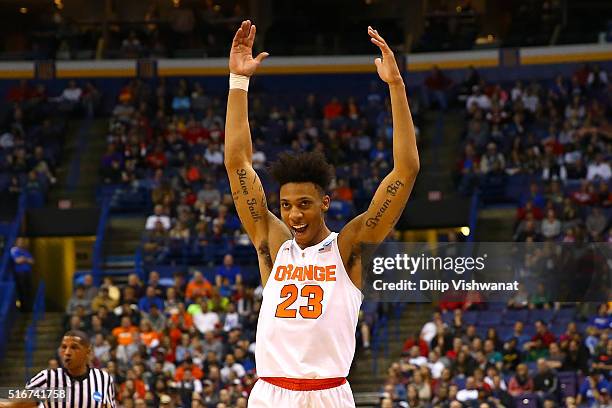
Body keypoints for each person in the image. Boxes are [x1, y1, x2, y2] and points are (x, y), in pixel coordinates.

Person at [224, 21, 419, 407]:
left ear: (324, 203)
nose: (294, 215)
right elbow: (237, 163)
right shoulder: (273, 243)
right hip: (270, 393)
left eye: (304, 204)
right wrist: (237, 82)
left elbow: (407, 170)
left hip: (327, 393)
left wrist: (396, 86)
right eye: (286, 205)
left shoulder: (348, 248)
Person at [0, 330, 116, 407]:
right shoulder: (48, 378)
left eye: (74, 347)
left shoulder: (103, 379)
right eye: (64, 347)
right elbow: (12, 405)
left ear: (88, 352)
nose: (67, 353)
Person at [10, 237, 35, 312]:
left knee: (29, 290)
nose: (21, 242)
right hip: (20, 274)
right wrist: (26, 259)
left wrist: (24, 259)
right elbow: (17, 261)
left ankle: (28, 308)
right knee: (21, 291)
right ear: (16, 242)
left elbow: (32, 261)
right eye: (19, 241)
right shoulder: (14, 250)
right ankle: (22, 309)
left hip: (27, 273)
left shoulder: (25, 251)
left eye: (22, 241)